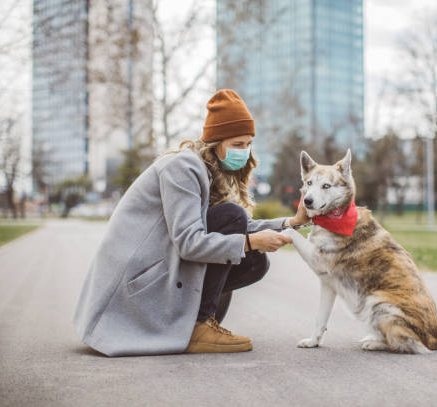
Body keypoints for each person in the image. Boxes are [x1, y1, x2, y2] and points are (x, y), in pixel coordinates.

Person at [72, 89, 310, 356]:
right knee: (234, 219)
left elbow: (236, 230)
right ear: (216, 142)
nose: (245, 152)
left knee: (254, 261)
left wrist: (292, 222)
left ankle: (199, 322)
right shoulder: (182, 168)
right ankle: (198, 324)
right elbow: (189, 243)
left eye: (248, 144)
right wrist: (250, 242)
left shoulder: (205, 170)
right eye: (237, 144)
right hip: (133, 288)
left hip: (159, 271)